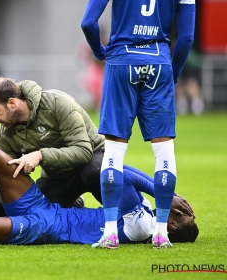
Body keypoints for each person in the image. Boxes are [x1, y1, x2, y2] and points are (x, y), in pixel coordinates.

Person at [81, 0, 196, 248]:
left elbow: (88, 23)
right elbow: (186, 37)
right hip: (159, 63)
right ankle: (161, 233)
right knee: (164, 151)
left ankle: (110, 233)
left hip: (121, 61)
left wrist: (101, 53)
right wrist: (172, 71)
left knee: (113, 151)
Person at [0, 147, 198, 246]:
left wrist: (164, 193)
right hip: (47, 208)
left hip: (47, 227)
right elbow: (120, 169)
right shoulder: (146, 209)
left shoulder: (141, 226)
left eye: (181, 211)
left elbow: (122, 177)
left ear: (172, 224)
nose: (180, 206)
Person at [0, 77, 105, 212]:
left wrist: (40, 155)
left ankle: (121, 217)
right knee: (32, 212)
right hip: (57, 174)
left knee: (94, 172)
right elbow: (6, 180)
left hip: (94, 157)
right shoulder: (5, 133)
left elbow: (83, 151)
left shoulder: (58, 103)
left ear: (12, 103)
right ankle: (73, 203)